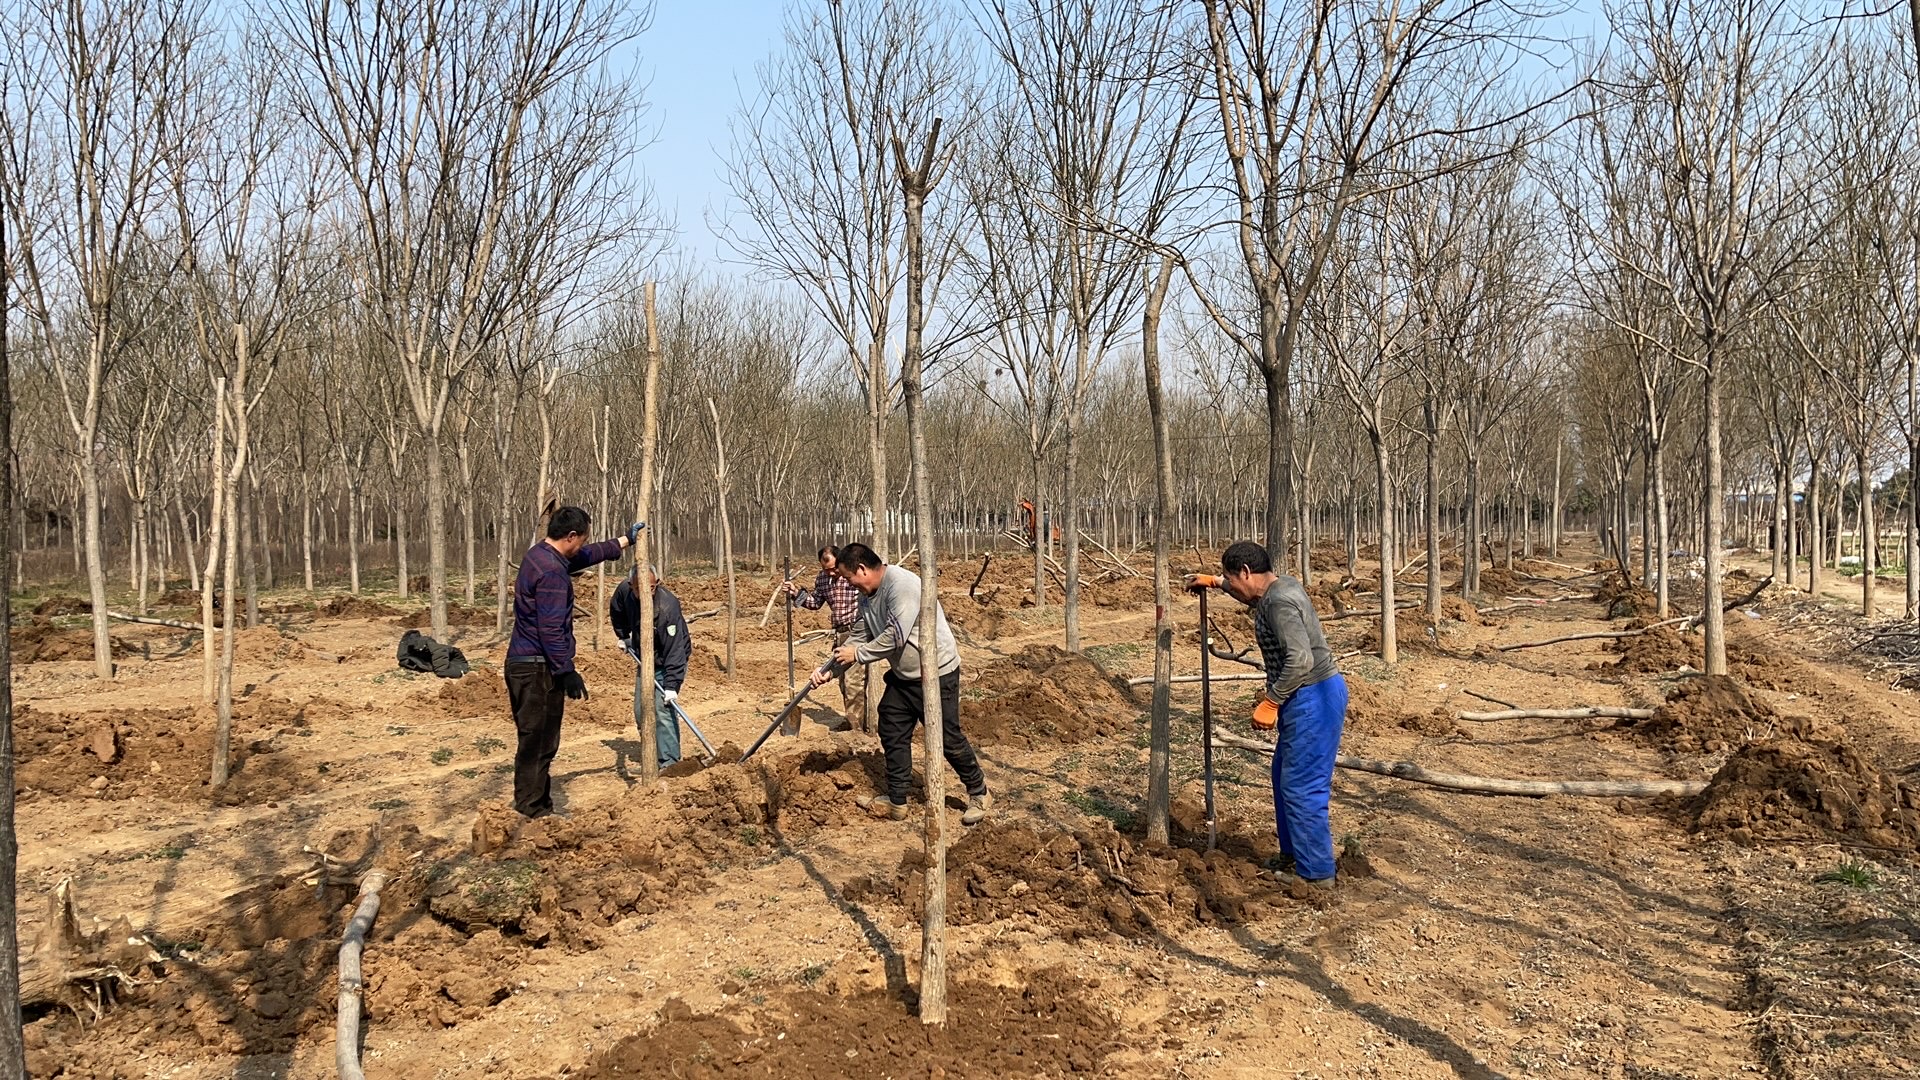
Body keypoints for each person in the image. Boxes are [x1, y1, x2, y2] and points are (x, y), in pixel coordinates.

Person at [1188, 541, 1347, 891]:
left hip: (1314, 697)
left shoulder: (1279, 603)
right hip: (1306, 695)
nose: (1235, 587)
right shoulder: (1279, 585)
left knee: (1303, 786)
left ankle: (1316, 874)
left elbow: (1301, 660)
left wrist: (1271, 701)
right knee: (1283, 778)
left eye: (1233, 578)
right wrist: (1216, 582)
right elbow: (1247, 593)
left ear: (1246, 572)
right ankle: (1295, 855)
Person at [813, 542, 990, 824]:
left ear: (862, 569)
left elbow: (894, 637)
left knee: (947, 737)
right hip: (904, 675)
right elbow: (861, 632)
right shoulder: (867, 594)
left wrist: (857, 654)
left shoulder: (901, 586)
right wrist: (829, 670)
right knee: (891, 728)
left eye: (848, 578)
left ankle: (979, 792)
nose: (847, 584)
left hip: (936, 672)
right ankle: (897, 800)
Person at [505, 507, 641, 818]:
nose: (582, 545)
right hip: (537, 668)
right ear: (570, 536)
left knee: (535, 740)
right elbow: (551, 628)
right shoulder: (552, 573)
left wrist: (623, 541)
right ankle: (531, 812)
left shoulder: (539, 555)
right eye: (581, 540)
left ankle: (536, 805)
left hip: (524, 663)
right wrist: (566, 670)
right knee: (539, 742)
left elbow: (584, 556)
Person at [610, 563, 691, 768]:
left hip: (668, 660)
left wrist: (672, 685)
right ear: (631, 585)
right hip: (645, 658)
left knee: (661, 709)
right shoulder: (624, 591)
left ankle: (670, 763)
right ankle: (652, 755)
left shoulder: (667, 607)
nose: (645, 592)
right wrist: (624, 636)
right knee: (641, 710)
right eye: (638, 588)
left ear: (658, 583)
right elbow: (617, 608)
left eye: (651, 588)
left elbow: (675, 650)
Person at [784, 544, 865, 727]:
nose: (830, 573)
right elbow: (815, 603)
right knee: (844, 682)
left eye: (833, 569)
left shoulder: (852, 575)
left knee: (854, 682)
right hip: (840, 634)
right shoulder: (822, 579)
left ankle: (857, 727)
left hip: (857, 631)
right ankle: (853, 720)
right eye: (825, 570)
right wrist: (796, 593)